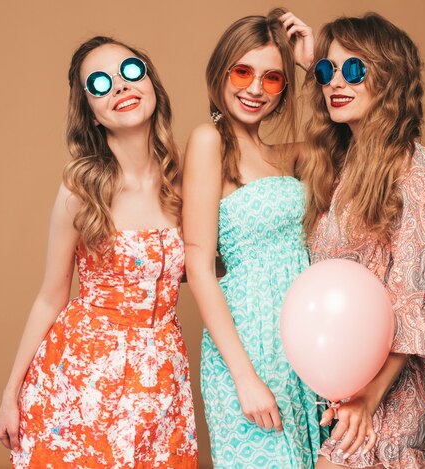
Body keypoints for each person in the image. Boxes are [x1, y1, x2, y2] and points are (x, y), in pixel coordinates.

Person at [0, 36, 198, 468]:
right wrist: (10, 394)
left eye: (130, 71)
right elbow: (51, 296)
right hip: (82, 380)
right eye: (101, 83)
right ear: (91, 113)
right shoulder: (79, 190)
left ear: (152, 85)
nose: (120, 87)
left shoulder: (185, 182)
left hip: (163, 378)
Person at [302, 13, 425, 469]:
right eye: (327, 72)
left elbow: (412, 302)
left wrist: (367, 400)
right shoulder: (337, 167)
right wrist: (307, 64)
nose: (335, 83)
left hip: (387, 390)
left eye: (354, 70)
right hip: (339, 388)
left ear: (389, 78)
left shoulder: (417, 168)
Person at [182, 8, 325, 468]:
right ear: (221, 71)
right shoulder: (209, 142)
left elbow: (360, 141)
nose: (255, 89)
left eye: (273, 78)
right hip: (248, 348)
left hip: (305, 347)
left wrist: (314, 62)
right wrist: (244, 377)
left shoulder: (287, 156)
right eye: (243, 71)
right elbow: (199, 265)